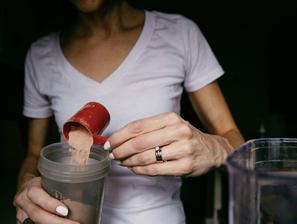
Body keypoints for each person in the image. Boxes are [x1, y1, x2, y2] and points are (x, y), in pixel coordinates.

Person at [14, 0, 245, 223]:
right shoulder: (40, 56)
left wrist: (217, 149)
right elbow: (34, 154)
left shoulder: (180, 33)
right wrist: (26, 186)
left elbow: (231, 136)